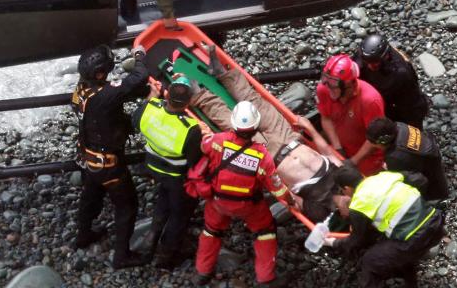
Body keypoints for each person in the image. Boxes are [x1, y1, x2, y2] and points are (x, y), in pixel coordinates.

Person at [190, 54, 341, 222]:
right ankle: (222, 73)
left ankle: (199, 95)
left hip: (270, 158)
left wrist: (267, 176)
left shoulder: (321, 211)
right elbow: (328, 152)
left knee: (232, 124)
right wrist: (310, 128)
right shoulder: (348, 180)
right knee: (256, 103)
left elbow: (292, 200)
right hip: (290, 138)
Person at [194, 101, 291, 287]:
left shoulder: (218, 141)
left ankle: (202, 272)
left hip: (218, 201)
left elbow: (203, 147)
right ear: (256, 127)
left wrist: (205, 132)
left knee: (211, 231)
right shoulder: (262, 156)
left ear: (234, 124)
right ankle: (266, 278)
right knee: (266, 232)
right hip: (248, 206)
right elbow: (277, 188)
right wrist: (291, 201)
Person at [71, 44, 151, 269]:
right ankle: (122, 256)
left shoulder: (81, 90)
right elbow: (139, 76)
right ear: (100, 74)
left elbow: (110, 98)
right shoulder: (106, 95)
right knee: (127, 206)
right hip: (110, 164)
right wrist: (139, 55)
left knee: (90, 197)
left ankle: (83, 235)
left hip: (89, 158)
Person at [329, 164, 446, 288]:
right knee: (391, 246)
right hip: (436, 222)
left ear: (346, 188)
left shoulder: (358, 204)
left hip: (415, 239)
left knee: (370, 262)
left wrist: (333, 242)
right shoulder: (385, 176)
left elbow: (357, 240)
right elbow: (420, 180)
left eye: (342, 191)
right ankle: (411, 282)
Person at [132, 75, 203, 268]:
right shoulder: (191, 129)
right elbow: (194, 160)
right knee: (179, 214)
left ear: (167, 96)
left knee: (163, 200)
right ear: (188, 102)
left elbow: (135, 121)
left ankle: (152, 237)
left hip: (154, 167)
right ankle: (166, 255)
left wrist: (151, 99)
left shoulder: (150, 108)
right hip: (177, 176)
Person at [316, 54, 386, 176]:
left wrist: (353, 161)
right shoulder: (324, 89)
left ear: (350, 85)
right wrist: (338, 148)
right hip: (342, 147)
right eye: (326, 80)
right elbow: (326, 117)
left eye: (333, 85)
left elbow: (375, 138)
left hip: (368, 157)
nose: (328, 89)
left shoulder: (370, 101)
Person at [354, 34, 430, 128]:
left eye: (374, 64)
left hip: (401, 102)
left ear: (385, 57)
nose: (369, 66)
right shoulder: (364, 56)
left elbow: (411, 104)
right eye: (367, 63)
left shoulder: (402, 73)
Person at [366, 117, 449, 201]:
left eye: (373, 142)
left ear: (383, 141)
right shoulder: (400, 126)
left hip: (429, 182)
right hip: (431, 154)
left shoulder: (394, 157)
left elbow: (417, 181)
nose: (372, 145)